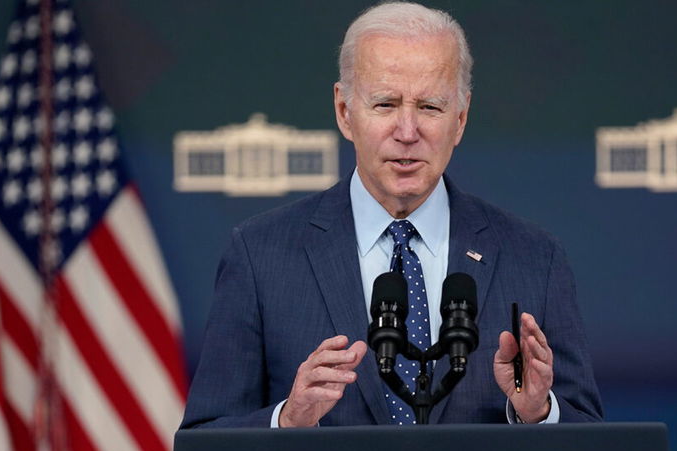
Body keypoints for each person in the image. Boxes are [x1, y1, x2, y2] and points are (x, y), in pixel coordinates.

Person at [180, 2, 602, 428]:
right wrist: (287, 421)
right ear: (345, 111)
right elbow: (206, 445)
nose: (406, 132)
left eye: (430, 108)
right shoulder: (261, 255)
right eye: (385, 104)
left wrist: (538, 411)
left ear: (460, 118)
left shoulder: (533, 259)